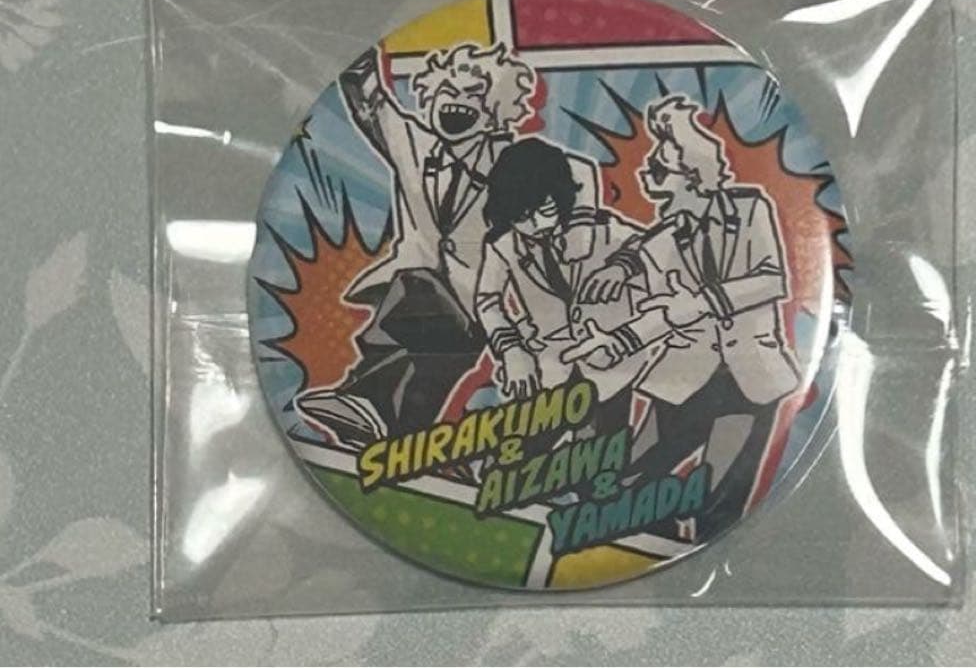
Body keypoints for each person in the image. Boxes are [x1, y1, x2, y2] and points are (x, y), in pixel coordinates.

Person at [296, 43, 596, 449]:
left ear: (495, 109)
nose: (457, 102)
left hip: (476, 302)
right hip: (425, 297)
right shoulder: (415, 145)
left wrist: (580, 225)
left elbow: (578, 170)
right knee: (422, 374)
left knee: (419, 303)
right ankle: (389, 437)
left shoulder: (513, 160)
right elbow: (371, 103)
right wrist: (349, 54)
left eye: (473, 94)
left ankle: (367, 404)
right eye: (448, 91)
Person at [563, 94, 799, 538]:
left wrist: (701, 303)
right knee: (630, 477)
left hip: (750, 378)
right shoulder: (662, 239)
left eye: (657, 169)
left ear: (692, 175)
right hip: (685, 377)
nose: (644, 174)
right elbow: (659, 314)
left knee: (720, 499)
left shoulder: (750, 209)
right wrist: (616, 343)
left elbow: (771, 280)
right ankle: (641, 535)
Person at [475, 137, 648, 438]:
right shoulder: (502, 245)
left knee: (601, 451)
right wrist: (512, 349)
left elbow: (647, 246)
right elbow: (487, 301)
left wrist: (620, 268)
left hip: (610, 368)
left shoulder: (598, 229)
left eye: (546, 210)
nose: (537, 224)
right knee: (523, 449)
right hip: (550, 367)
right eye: (522, 217)